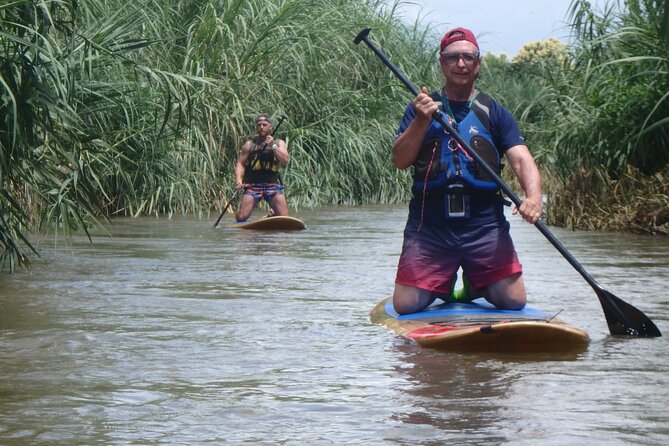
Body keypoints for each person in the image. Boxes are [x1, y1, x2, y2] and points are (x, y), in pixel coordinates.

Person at [391, 27, 542, 315]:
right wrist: (421, 122)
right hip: (430, 224)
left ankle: (476, 283)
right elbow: (399, 160)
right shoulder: (420, 108)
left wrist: (533, 197)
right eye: (453, 57)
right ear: (441, 63)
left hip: (484, 223)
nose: (461, 64)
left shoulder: (494, 112)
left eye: (468, 57)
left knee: (513, 300)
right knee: (406, 305)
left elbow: (522, 159)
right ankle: (443, 285)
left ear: (478, 64)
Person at [234, 113, 290, 222]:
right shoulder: (250, 144)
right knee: (241, 218)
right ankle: (240, 214)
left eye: (264, 124)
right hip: (253, 185)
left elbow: (285, 161)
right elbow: (240, 163)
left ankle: (272, 214)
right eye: (259, 125)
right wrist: (238, 180)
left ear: (270, 127)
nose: (261, 127)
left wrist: (272, 146)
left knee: (285, 219)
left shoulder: (279, 143)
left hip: (273, 186)